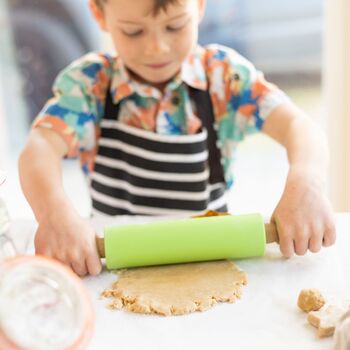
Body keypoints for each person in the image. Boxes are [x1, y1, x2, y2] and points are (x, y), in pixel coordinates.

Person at [18, 0, 336, 276]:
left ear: (198, 7)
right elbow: (40, 147)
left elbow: (299, 127)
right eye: (133, 31)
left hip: (213, 258)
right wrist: (53, 213)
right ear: (99, 15)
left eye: (175, 26)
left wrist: (306, 184)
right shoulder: (90, 85)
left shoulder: (224, 78)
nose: (157, 47)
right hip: (110, 259)